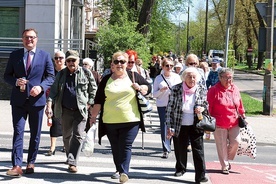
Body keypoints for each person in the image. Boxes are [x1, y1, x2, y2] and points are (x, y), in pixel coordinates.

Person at [89, 51, 151, 183]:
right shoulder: (106, 79)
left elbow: (148, 87)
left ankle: (124, 172)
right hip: (110, 121)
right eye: (116, 62)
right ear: (112, 64)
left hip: (131, 120)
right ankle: (119, 169)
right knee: (116, 147)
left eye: (122, 61)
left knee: (125, 145)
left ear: (127, 63)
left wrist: (141, 88)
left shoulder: (133, 76)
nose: (119, 64)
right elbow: (98, 100)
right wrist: (93, 117)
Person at [4, 28, 55, 177]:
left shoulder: (44, 56)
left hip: (37, 102)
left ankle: (31, 162)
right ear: (22, 40)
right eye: (26, 37)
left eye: (32, 37)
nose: (29, 40)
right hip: (19, 101)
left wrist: (41, 87)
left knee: (35, 134)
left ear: (37, 39)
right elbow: (6, 76)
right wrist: (15, 81)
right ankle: (17, 165)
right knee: (18, 132)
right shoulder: (15, 55)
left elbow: (51, 77)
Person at [46, 50, 97, 173]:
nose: (71, 63)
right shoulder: (61, 74)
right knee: (67, 136)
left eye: (73, 60)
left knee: (78, 135)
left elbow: (93, 88)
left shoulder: (85, 72)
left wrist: (89, 103)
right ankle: (70, 158)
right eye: (68, 60)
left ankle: (72, 161)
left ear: (78, 61)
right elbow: (53, 91)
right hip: (65, 110)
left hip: (80, 110)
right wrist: (49, 105)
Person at [165, 67, 208, 183]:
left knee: (198, 150)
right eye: (189, 76)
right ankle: (180, 168)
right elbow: (169, 109)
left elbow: (206, 105)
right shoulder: (176, 89)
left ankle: (200, 175)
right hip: (180, 123)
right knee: (180, 148)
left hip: (196, 124)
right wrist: (169, 126)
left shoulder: (201, 89)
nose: (192, 79)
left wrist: (202, 108)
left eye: (194, 77)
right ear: (184, 78)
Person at [207, 68, 245, 174]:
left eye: (231, 77)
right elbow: (209, 106)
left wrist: (243, 114)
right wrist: (208, 121)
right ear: (220, 78)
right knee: (221, 145)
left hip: (234, 121)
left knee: (236, 141)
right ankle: (225, 165)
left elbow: (240, 103)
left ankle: (227, 158)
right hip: (219, 122)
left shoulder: (235, 88)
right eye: (226, 77)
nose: (229, 80)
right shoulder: (214, 90)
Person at [153, 57, 182, 159]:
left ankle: (176, 147)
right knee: (164, 126)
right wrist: (161, 90)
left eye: (171, 66)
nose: (169, 67)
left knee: (174, 126)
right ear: (162, 67)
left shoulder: (176, 77)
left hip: (174, 106)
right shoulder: (158, 78)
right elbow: (154, 94)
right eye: (167, 66)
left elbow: (180, 91)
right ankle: (165, 148)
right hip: (162, 105)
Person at [45, 51, 66, 156]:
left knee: (67, 124)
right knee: (54, 123)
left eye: (61, 58)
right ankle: (52, 147)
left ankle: (65, 145)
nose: (59, 60)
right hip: (53, 101)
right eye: (56, 58)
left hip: (67, 102)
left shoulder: (68, 71)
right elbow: (48, 88)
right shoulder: (50, 72)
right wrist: (47, 104)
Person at [82, 57, 101, 132]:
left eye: (86, 64)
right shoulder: (80, 73)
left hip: (92, 97)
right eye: (83, 64)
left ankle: (89, 131)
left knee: (90, 114)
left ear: (90, 66)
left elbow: (99, 84)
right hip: (83, 97)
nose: (84, 66)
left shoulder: (95, 74)